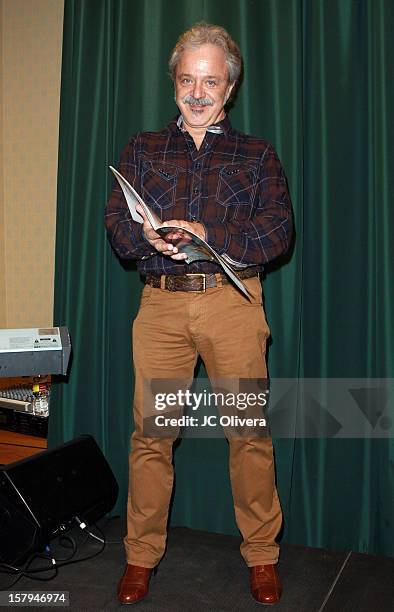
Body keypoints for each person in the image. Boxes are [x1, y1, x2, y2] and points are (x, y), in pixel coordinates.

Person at [105, 22, 293, 606]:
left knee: (248, 433)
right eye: (187, 79)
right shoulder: (142, 148)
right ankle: (140, 557)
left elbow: (277, 231)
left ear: (229, 87)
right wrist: (148, 241)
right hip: (161, 309)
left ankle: (262, 556)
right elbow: (116, 225)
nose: (197, 91)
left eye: (210, 80)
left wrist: (210, 234)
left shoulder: (257, 153)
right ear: (175, 82)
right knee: (152, 437)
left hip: (233, 306)